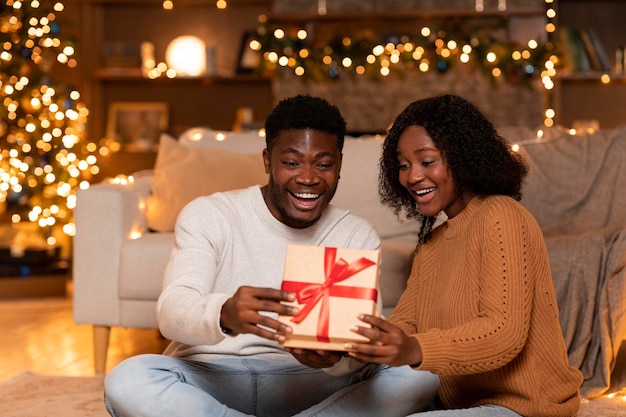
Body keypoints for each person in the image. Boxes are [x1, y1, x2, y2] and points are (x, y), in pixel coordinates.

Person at [103, 95, 439, 417]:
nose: (307, 178)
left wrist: (333, 357)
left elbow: (357, 345)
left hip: (306, 382)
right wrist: (226, 313)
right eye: (291, 163)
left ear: (339, 166)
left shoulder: (355, 234)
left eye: (323, 165)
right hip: (212, 375)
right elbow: (172, 309)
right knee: (128, 379)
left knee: (420, 375)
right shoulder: (210, 214)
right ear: (268, 160)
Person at [345, 94, 583, 416]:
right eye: (403, 165)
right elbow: (406, 322)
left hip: (522, 407)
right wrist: (355, 342)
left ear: (463, 157)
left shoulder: (501, 215)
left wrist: (414, 349)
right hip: (454, 400)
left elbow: (503, 333)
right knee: (353, 398)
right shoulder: (431, 244)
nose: (412, 176)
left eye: (427, 161)